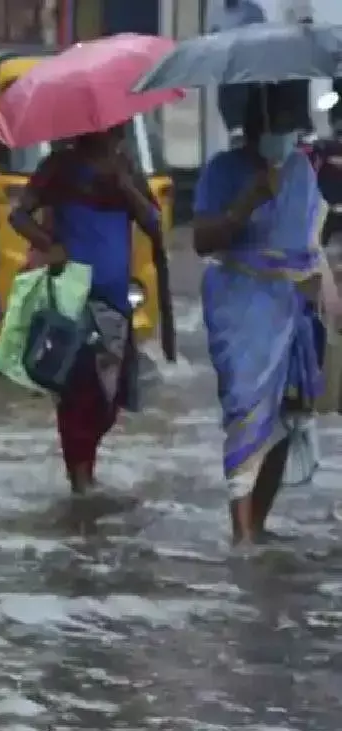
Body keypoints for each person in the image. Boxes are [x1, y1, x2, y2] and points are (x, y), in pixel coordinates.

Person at [191, 85, 325, 545]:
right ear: (255, 126)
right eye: (278, 123)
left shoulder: (301, 172)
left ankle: (258, 524)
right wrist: (248, 200)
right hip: (238, 306)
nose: (285, 134)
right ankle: (241, 536)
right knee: (245, 414)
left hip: (291, 307)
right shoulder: (221, 171)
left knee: (287, 420)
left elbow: (309, 246)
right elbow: (202, 240)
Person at [9, 124, 163, 495]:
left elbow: (154, 221)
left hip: (114, 302)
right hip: (71, 298)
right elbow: (19, 215)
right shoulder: (58, 168)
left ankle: (84, 470)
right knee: (78, 392)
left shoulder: (125, 170)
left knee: (110, 399)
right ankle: (80, 481)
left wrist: (124, 185)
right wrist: (49, 244)